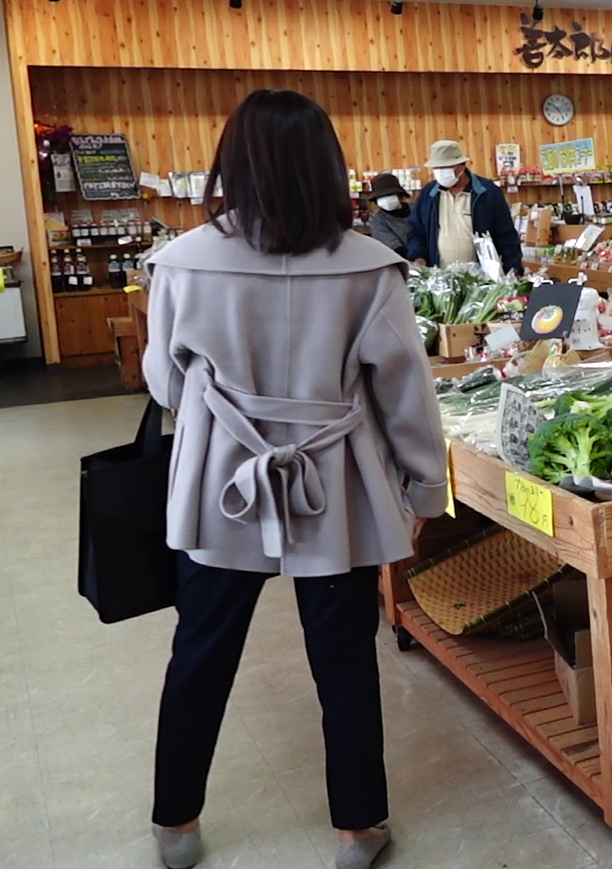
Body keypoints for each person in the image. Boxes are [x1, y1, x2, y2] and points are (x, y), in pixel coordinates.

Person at [142, 90, 448, 869]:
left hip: (221, 477)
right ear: (326, 165)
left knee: (201, 648)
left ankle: (175, 826)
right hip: (334, 478)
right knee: (343, 654)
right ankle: (357, 830)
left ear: (231, 164)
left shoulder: (180, 263)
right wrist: (421, 490)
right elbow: (404, 392)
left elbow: (166, 387)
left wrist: (226, 392)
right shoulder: (369, 267)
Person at [403, 139, 524, 275]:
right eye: (437, 169)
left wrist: (514, 268)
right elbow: (416, 231)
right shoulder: (428, 194)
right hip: (438, 277)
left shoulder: (487, 193)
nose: (441, 173)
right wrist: (418, 256)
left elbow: (506, 235)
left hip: (480, 277)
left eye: (446, 168)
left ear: (461, 165)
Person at [364, 172, 411, 258]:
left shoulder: (416, 209)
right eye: (380, 197)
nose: (385, 200)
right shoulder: (377, 219)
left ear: (399, 195)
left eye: (389, 195)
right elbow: (394, 247)